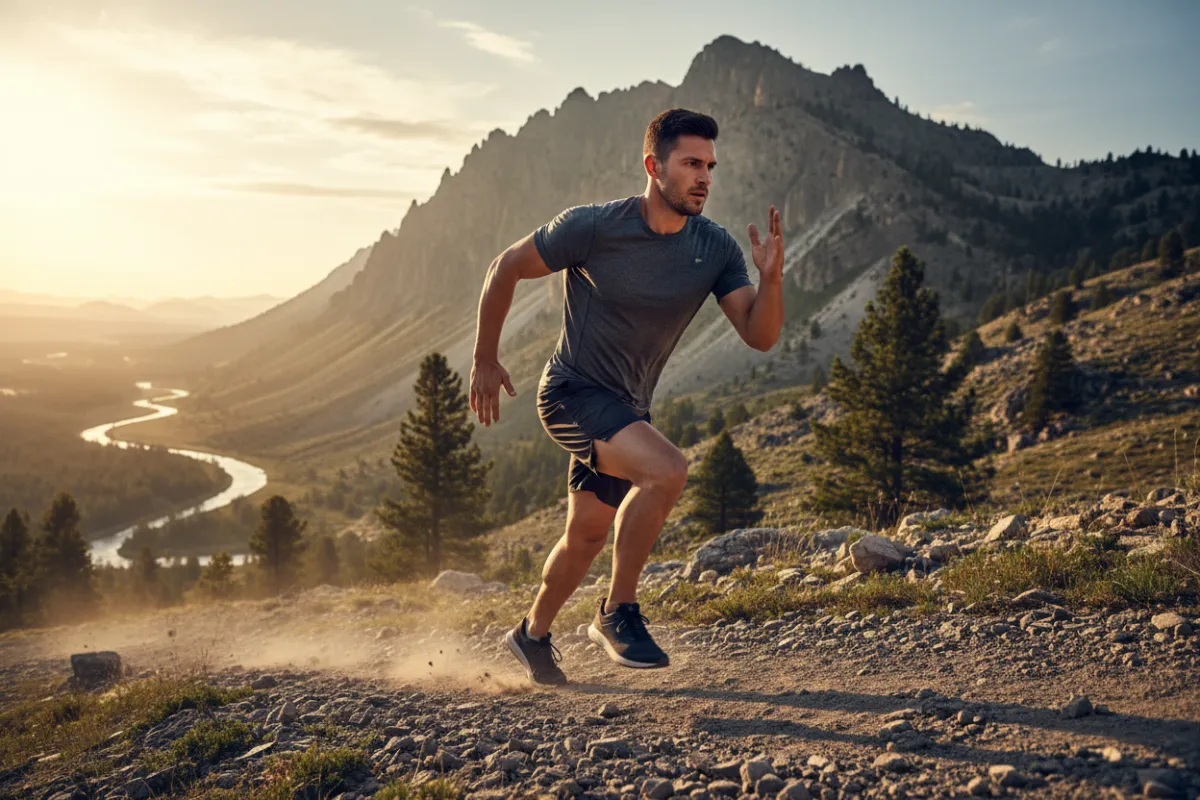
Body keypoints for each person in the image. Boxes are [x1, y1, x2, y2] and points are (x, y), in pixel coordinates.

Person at [469, 108, 784, 685]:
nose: (704, 177)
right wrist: (485, 357)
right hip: (570, 394)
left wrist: (772, 279)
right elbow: (506, 265)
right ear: (652, 166)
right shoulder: (593, 227)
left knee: (585, 535)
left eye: (710, 166)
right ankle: (617, 611)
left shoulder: (713, 248)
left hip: (626, 409)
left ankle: (530, 634)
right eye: (691, 163)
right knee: (667, 470)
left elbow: (760, 336)